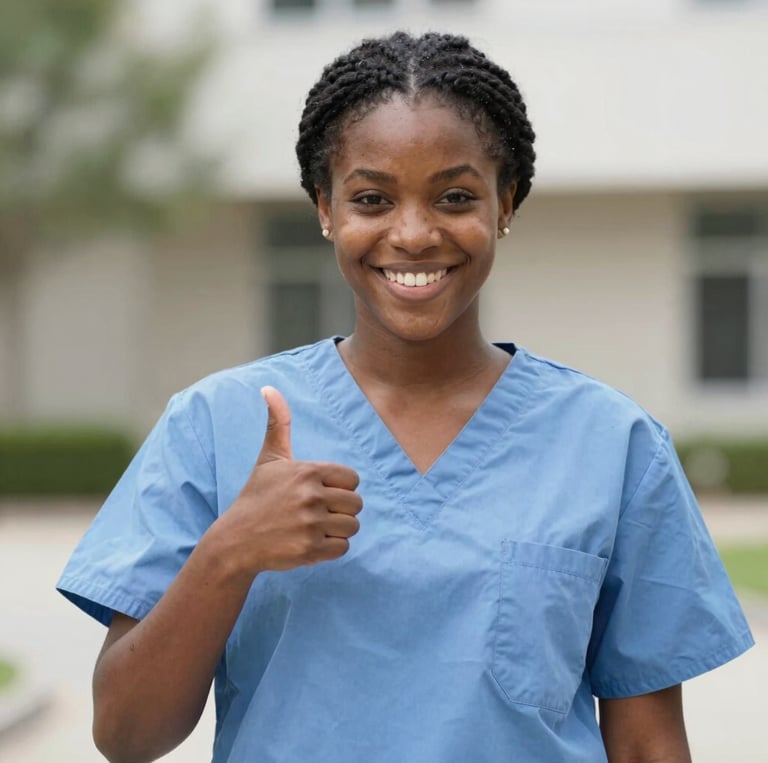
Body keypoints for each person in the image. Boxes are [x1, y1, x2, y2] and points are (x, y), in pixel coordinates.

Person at [58, 31, 753, 763]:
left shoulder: (613, 444)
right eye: (371, 198)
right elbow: (127, 736)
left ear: (505, 202)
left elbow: (647, 745)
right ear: (324, 207)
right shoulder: (215, 425)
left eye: (455, 196)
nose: (414, 233)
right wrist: (229, 553)